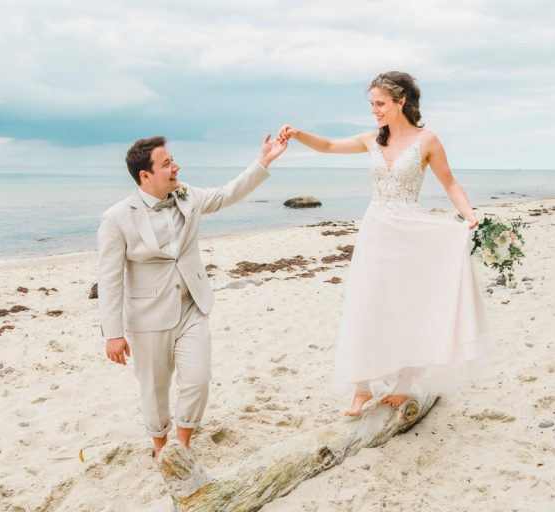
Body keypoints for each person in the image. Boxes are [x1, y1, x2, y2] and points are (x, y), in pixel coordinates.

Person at [278, 71, 488, 416]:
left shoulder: (428, 141)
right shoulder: (371, 140)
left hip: (409, 232)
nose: (375, 110)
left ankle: (404, 382)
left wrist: (468, 215)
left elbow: (449, 182)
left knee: (404, 304)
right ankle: (361, 387)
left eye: (380, 104)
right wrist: (298, 134)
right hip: (376, 230)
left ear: (401, 101)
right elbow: (330, 146)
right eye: (372, 104)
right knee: (368, 303)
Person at [98, 134, 287, 455]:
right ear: (145, 175)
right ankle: (160, 447)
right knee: (154, 390)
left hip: (192, 308)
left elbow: (228, 193)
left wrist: (265, 160)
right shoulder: (116, 217)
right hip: (148, 318)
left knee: (198, 381)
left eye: (173, 159)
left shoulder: (186, 195)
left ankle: (182, 445)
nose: (176, 166)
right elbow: (110, 278)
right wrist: (112, 334)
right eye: (167, 163)